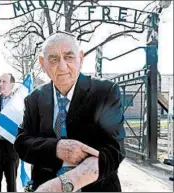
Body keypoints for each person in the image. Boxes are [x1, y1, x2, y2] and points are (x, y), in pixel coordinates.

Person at [14, 32, 126, 192]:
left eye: (69, 57)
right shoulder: (34, 99)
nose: (62, 66)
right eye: (53, 59)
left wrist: (65, 184)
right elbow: (22, 143)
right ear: (42, 63)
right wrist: (56, 148)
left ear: (81, 58)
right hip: (44, 182)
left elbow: (115, 149)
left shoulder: (105, 92)